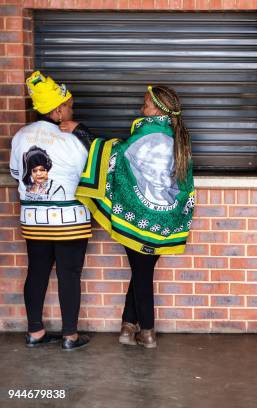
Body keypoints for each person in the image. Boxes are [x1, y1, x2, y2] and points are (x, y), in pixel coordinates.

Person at [65, 85, 195, 349]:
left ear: (158, 108)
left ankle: (147, 332)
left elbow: (116, 154)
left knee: (142, 275)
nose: (141, 108)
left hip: (139, 216)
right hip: (165, 219)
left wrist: (81, 131)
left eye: (146, 104)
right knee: (141, 271)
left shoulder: (147, 133)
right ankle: (127, 327)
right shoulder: (177, 136)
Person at [9, 71, 91, 350]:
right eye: (68, 105)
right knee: (69, 274)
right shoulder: (73, 138)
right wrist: (83, 131)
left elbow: (14, 172)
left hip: (33, 219)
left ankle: (35, 332)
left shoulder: (20, 136)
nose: (71, 110)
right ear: (57, 110)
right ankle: (70, 336)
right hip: (71, 219)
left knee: (37, 272)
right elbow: (93, 171)